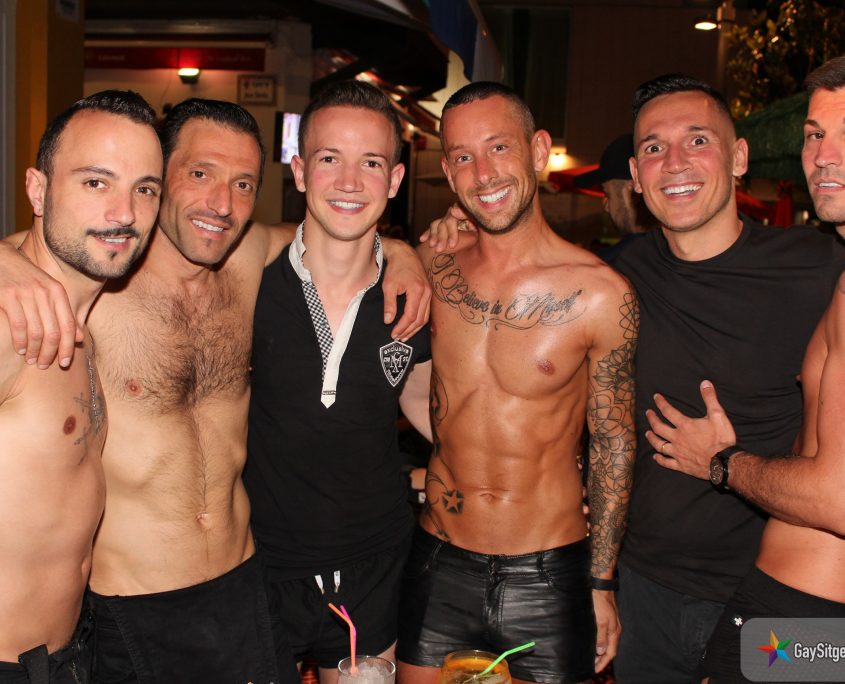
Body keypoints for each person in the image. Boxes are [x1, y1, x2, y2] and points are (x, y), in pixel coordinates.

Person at [0, 97, 429, 683]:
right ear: (162, 181)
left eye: (243, 184)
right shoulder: (98, 280)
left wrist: (404, 253)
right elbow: (55, 240)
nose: (221, 204)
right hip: (134, 609)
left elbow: (342, 228)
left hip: (242, 591)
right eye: (199, 174)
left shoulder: (248, 259)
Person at [397, 82, 638, 684]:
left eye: (498, 147)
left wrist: (601, 582)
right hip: (438, 557)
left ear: (537, 150)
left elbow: (614, 444)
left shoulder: (601, 294)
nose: (483, 173)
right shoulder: (432, 266)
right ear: (448, 174)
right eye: (462, 156)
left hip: (549, 574)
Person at [609, 74, 845, 684]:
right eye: (654, 148)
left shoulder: (819, 265)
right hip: (645, 594)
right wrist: (414, 249)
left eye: (698, 140)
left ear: (739, 158)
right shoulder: (613, 278)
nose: (675, 162)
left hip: (788, 604)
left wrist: (720, 462)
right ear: (636, 176)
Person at [245, 80, 433, 684]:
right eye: (330, 158)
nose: (350, 182)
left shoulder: (416, 299)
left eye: (371, 163)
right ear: (300, 171)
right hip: (255, 569)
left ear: (395, 180)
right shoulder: (244, 280)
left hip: (375, 569)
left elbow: (439, 414)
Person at [0, 91, 162, 682]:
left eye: (145, 189)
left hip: (71, 654)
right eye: (96, 182)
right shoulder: (11, 327)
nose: (124, 213)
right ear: (37, 190)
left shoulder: (83, 322)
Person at [573, 133, 657, 262]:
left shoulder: (611, 264)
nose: (606, 206)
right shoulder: (679, 252)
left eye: (607, 194)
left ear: (633, 190)